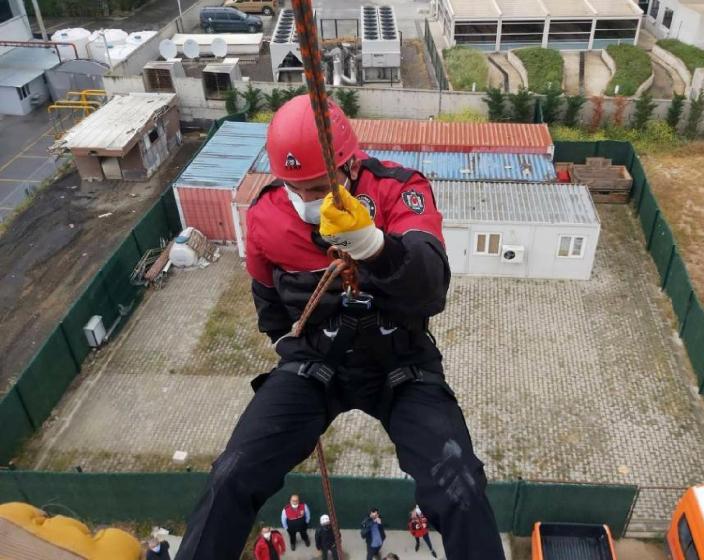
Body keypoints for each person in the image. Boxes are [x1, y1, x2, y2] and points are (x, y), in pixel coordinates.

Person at [174, 95, 504, 560]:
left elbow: (430, 289)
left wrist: (373, 245)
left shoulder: (396, 189)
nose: (307, 200)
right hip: (316, 365)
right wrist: (295, 362)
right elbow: (269, 306)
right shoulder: (267, 215)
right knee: (231, 474)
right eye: (296, 188)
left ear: (348, 166)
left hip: (401, 365)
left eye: (317, 186)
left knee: (462, 487)